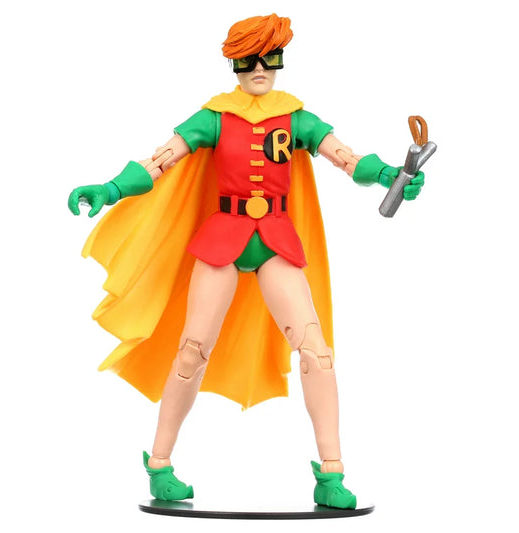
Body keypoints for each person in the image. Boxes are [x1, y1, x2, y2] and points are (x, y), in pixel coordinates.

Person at [68, 14, 424, 509]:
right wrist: (109, 189)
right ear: (233, 63)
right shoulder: (214, 116)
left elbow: (346, 158)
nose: (259, 69)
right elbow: (160, 160)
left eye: (270, 58)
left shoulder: (296, 117)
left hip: (275, 240)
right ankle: (160, 466)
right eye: (248, 60)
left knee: (317, 352)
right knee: (191, 352)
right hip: (223, 240)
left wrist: (388, 173)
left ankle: (332, 473)